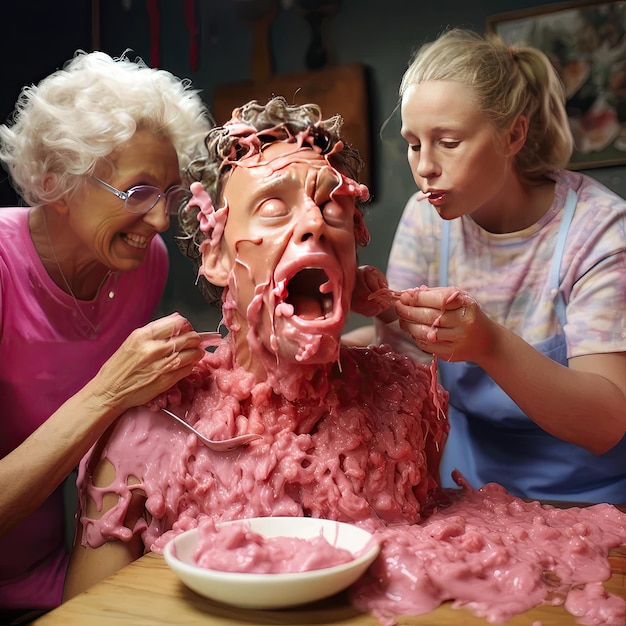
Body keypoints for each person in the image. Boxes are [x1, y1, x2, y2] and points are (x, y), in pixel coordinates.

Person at [62, 96, 449, 599]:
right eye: (272, 207)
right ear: (218, 259)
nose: (314, 223)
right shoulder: (148, 426)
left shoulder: (406, 401)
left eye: (334, 205)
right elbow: (89, 612)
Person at [0, 50, 212, 621]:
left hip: (52, 571)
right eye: (137, 191)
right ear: (58, 182)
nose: (161, 222)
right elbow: (110, 400)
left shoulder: (146, 264)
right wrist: (109, 391)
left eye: (169, 195)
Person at [372, 28, 626, 503]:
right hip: (468, 489)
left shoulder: (598, 231)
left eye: (447, 141)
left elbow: (606, 423)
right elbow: (404, 359)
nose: (425, 165)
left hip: (593, 500)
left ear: (513, 134)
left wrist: (490, 344)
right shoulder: (425, 219)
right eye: (413, 143)